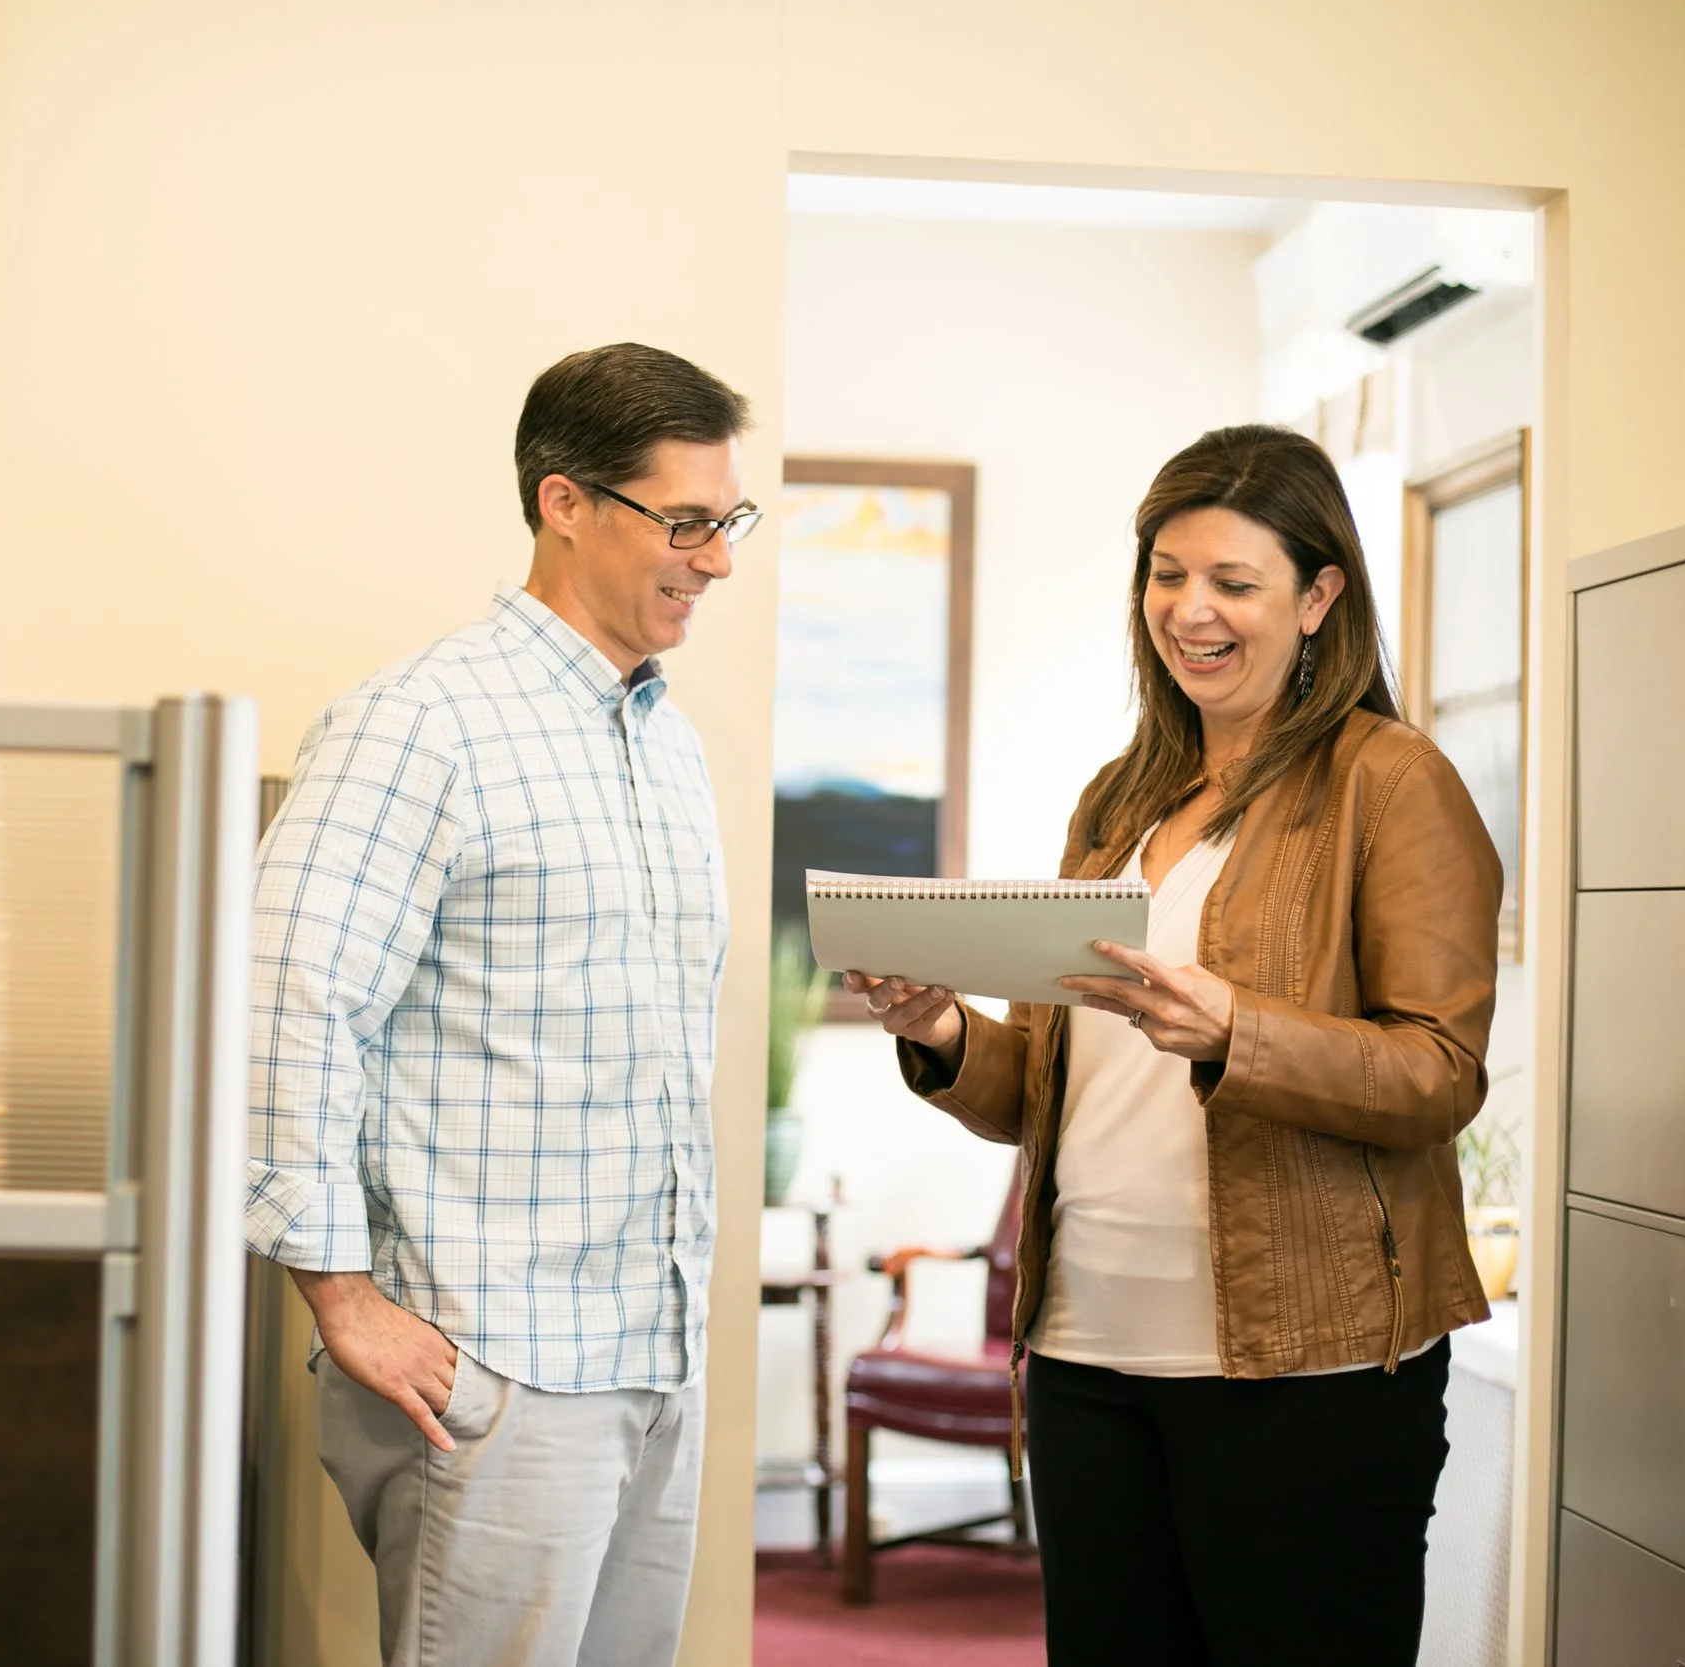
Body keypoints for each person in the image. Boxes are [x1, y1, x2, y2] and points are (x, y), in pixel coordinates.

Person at [848, 424, 1500, 1667]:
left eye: (1231, 582)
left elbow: (1436, 1072)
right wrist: (937, 1028)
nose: (1188, 609)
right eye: (1166, 573)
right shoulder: (1119, 795)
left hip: (1302, 1370)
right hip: (1089, 1350)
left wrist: (1235, 1031)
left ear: (1318, 598)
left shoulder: (1392, 780)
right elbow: (1045, 1091)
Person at [246, 343, 759, 1667]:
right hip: (497, 1368)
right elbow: (284, 1001)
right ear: (565, 502)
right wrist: (342, 1296)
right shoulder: (422, 722)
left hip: (652, 1356)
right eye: (687, 521)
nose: (715, 558)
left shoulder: (670, 740)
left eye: (727, 520)